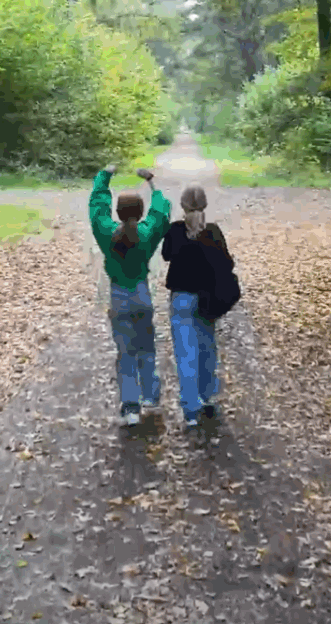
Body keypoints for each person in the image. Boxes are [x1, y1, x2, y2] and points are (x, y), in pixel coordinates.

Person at [89, 163, 171, 428]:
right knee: (146, 349)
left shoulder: (107, 233)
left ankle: (131, 408)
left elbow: (96, 208)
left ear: (118, 213)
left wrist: (105, 176)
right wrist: (151, 183)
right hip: (142, 295)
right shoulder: (146, 234)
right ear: (140, 212)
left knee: (125, 354)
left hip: (119, 297)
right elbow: (162, 212)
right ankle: (151, 397)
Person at [161, 185, 234, 431]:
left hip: (181, 299)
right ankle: (207, 397)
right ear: (205, 205)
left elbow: (166, 254)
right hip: (206, 299)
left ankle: (190, 410)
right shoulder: (213, 232)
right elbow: (227, 263)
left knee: (185, 354)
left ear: (183, 206)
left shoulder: (175, 231)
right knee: (207, 348)